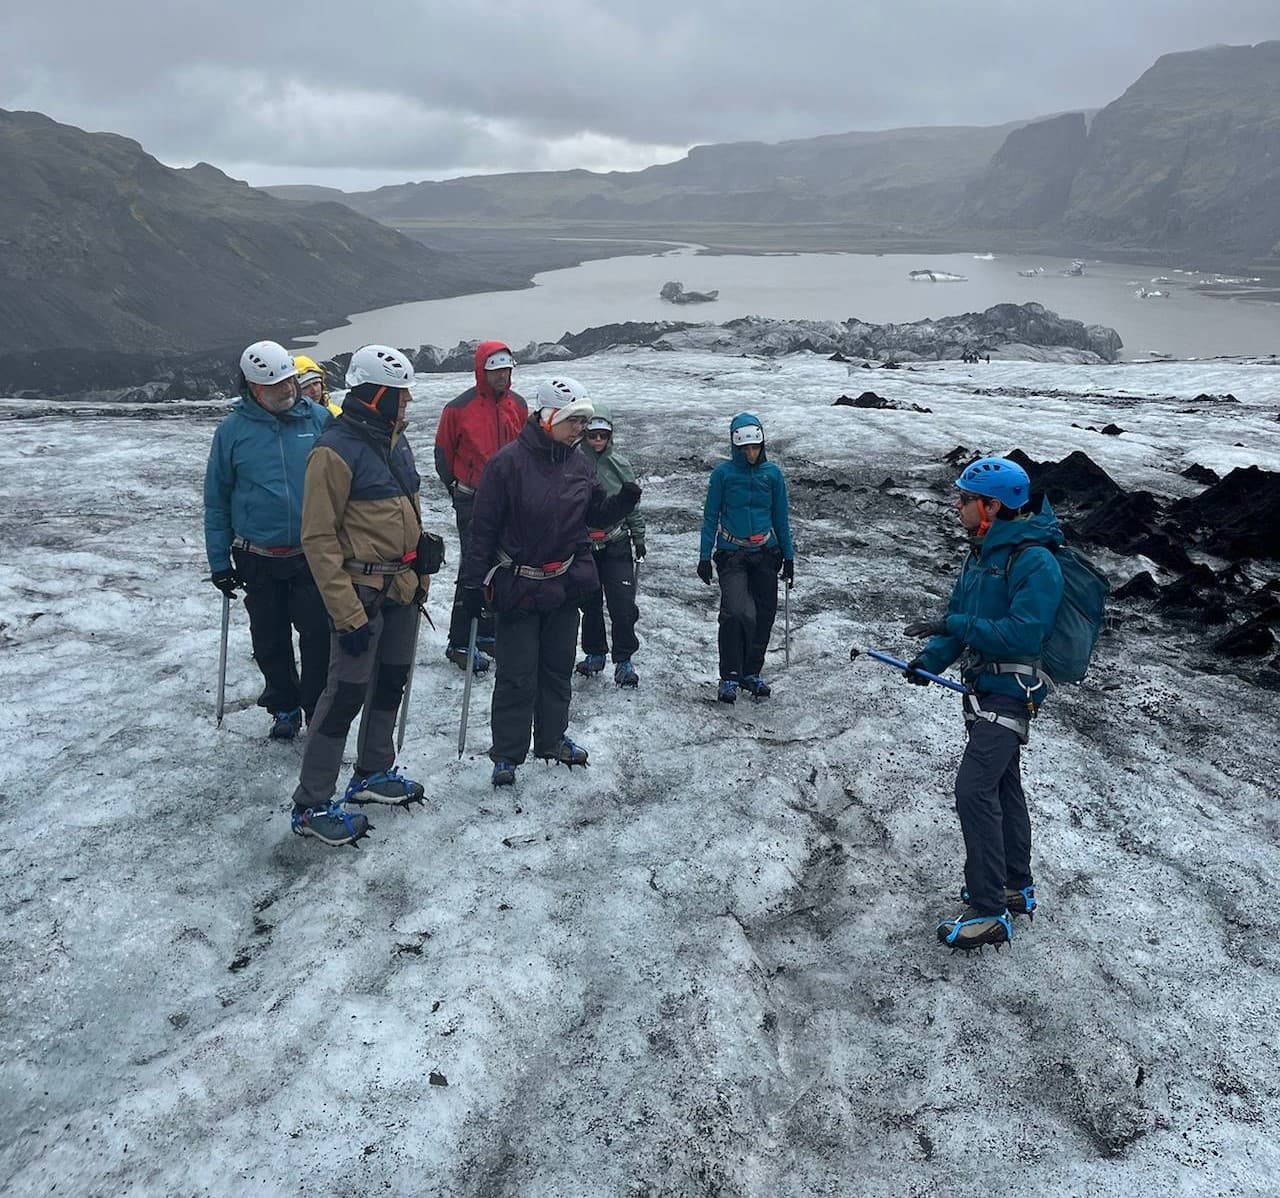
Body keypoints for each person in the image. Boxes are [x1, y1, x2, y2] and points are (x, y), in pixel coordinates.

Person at [902, 456, 1064, 951]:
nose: (958, 506)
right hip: (984, 690)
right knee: (1003, 787)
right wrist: (929, 661)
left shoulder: (1035, 561)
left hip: (1013, 694)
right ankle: (1016, 884)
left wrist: (955, 628)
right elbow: (960, 618)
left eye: (966, 499)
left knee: (974, 790)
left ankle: (990, 909)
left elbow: (1024, 631)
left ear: (991, 505)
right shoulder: (981, 555)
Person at [460, 377, 641, 787]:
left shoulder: (578, 464)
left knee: (557, 669)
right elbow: (482, 530)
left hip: (562, 584)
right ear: (547, 417)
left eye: (584, 421)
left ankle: (551, 739)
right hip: (519, 586)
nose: (581, 429)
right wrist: (473, 587)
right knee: (516, 674)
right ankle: (507, 755)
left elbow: (594, 514)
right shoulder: (507, 464)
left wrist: (623, 502)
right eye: (574, 420)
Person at [290, 345, 435, 846]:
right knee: (345, 693)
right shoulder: (333, 450)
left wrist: (422, 565)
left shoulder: (397, 443)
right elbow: (318, 538)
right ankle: (311, 804)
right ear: (375, 396)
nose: (408, 401)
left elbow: (405, 509)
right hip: (361, 592)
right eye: (400, 394)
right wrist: (347, 614)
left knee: (391, 682)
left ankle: (372, 774)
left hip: (401, 587)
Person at [204, 340, 333, 740]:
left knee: (319, 637)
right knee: (269, 639)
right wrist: (220, 563)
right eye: (276, 386)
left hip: (311, 553)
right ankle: (284, 706)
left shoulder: (318, 420)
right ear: (253, 388)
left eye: (290, 382)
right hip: (257, 555)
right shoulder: (232, 433)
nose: (287, 391)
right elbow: (217, 499)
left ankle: (317, 708)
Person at [434, 341, 527, 674]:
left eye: (506, 370)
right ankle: (460, 640)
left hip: (508, 499)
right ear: (481, 371)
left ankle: (487, 633)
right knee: (474, 566)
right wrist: (458, 488)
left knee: (501, 563)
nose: (502, 376)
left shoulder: (518, 405)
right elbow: (444, 455)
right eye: (495, 370)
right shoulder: (458, 409)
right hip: (473, 498)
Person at [697, 412, 794, 703]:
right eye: (745, 448)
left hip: (766, 553)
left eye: (755, 447)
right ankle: (729, 676)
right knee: (736, 613)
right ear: (735, 447)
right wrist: (704, 556)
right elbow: (710, 516)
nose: (751, 453)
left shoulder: (773, 475)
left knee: (763, 616)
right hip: (732, 555)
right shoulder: (723, 475)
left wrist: (788, 557)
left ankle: (751, 673)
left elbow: (781, 517)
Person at [576, 403, 645, 686]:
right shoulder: (575, 462)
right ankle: (595, 653)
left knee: (622, 605)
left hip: (616, 542)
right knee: (589, 603)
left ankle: (624, 660)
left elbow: (632, 505)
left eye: (603, 436)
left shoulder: (621, 465)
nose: (597, 441)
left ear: (610, 436)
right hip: (585, 546)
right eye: (592, 436)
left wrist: (638, 537)